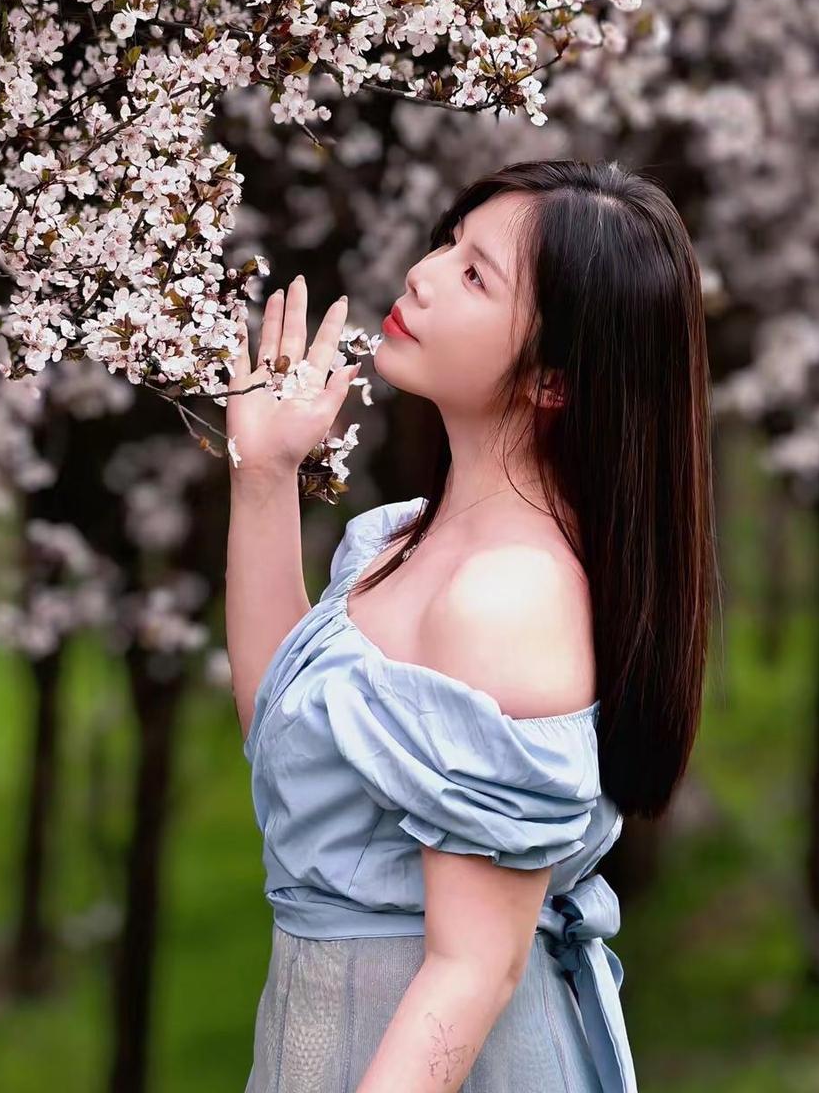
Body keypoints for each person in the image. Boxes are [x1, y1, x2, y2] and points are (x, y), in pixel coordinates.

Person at [224, 159, 718, 1093]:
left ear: (555, 382)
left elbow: (470, 971)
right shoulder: (401, 539)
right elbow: (284, 740)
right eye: (451, 242)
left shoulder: (506, 600)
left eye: (475, 274)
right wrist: (263, 478)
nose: (423, 272)